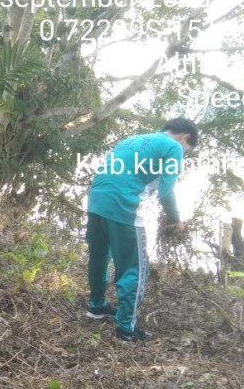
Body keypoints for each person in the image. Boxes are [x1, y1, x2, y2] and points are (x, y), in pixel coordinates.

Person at [84, 117, 198, 342]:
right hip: (123, 206)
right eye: (188, 149)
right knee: (135, 268)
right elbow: (166, 191)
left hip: (96, 200)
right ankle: (126, 329)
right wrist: (176, 220)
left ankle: (96, 306)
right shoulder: (174, 146)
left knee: (98, 257)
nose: (184, 152)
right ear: (186, 138)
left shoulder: (133, 139)